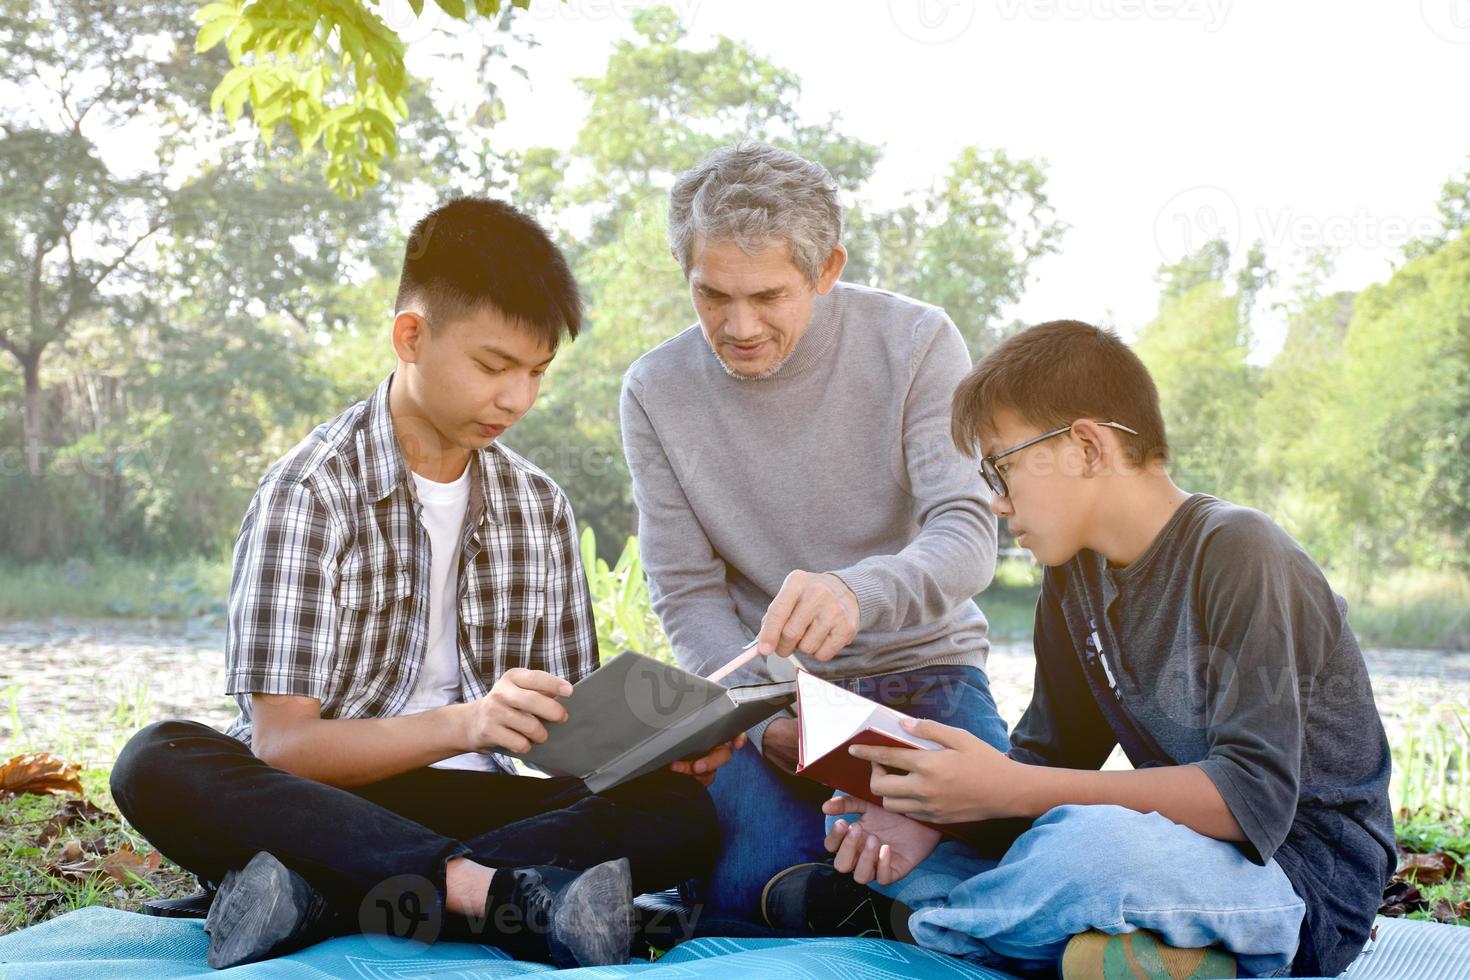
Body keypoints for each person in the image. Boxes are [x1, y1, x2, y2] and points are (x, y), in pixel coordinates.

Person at [110, 197, 726, 970]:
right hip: (322, 799)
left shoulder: (538, 506)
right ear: (411, 336)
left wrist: (655, 748)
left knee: (680, 812)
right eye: (494, 367)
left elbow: (568, 742)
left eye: (537, 373)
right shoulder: (310, 491)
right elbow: (285, 748)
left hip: (457, 807)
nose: (517, 399)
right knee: (154, 760)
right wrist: (466, 724)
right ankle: (489, 896)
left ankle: (323, 894)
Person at [767, 319, 1394, 978]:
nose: (996, 501)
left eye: (1002, 466)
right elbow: (1046, 761)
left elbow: (1249, 799)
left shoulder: (1243, 552)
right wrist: (940, 819)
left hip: (1297, 885)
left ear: (1087, 447)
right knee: (957, 846)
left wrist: (1010, 788)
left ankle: (920, 925)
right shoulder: (1073, 579)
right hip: (1174, 855)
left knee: (1091, 847)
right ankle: (1119, 951)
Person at [620, 142, 1011, 923]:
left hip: (924, 681)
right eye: (711, 295)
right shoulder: (655, 390)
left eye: (767, 296)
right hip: (772, 702)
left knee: (990, 885)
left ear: (826, 270)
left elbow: (968, 532)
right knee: (750, 896)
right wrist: (765, 714)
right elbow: (686, 592)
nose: (738, 326)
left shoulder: (916, 343)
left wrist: (855, 594)